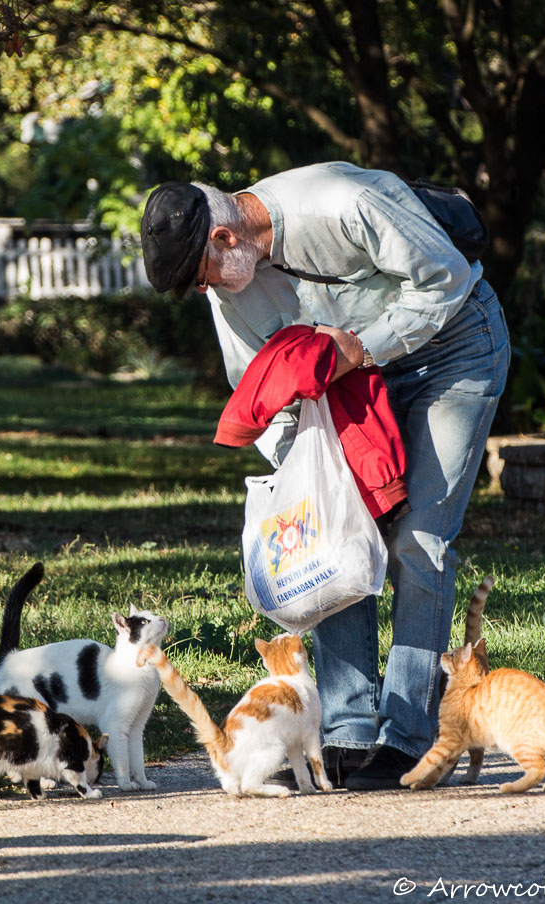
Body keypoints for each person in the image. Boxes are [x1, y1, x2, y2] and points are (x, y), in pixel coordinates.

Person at [140, 163, 510, 790]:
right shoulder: (228, 289)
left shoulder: (344, 201)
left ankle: (408, 740)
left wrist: (361, 348)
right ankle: (345, 732)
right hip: (342, 387)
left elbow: (442, 280)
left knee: (418, 541)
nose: (206, 293)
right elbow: (253, 382)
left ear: (225, 240)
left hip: (453, 348)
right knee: (339, 532)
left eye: (200, 277)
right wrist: (309, 474)